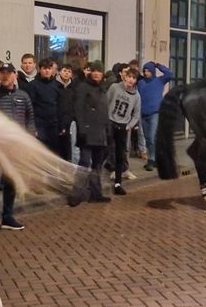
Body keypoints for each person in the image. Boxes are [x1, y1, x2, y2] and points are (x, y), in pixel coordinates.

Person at [0, 62, 34, 236]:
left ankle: (7, 217)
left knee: (11, 183)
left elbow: (30, 118)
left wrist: (29, 138)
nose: (5, 76)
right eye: (2, 73)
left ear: (15, 75)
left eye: (8, 73)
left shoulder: (23, 96)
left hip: (15, 148)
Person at [71, 62, 112, 203]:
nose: (96, 74)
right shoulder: (83, 87)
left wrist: (108, 132)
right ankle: (76, 195)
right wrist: (82, 129)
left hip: (100, 133)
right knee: (84, 163)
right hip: (87, 133)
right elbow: (78, 109)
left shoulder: (102, 89)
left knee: (97, 164)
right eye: (93, 71)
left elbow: (105, 112)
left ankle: (96, 193)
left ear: (102, 74)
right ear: (89, 73)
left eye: (99, 71)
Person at [107, 67, 142, 195]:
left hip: (123, 126)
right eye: (129, 77)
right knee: (106, 151)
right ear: (125, 77)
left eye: (134, 78)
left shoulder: (137, 96)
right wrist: (106, 120)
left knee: (120, 155)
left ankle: (117, 183)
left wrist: (129, 125)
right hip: (111, 122)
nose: (131, 80)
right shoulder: (114, 88)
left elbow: (136, 114)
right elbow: (106, 102)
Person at [138, 61, 173, 171]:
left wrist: (158, 65)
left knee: (152, 136)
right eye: (144, 70)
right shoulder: (141, 83)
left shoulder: (159, 81)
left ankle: (151, 160)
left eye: (148, 70)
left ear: (152, 71)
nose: (145, 72)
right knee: (148, 138)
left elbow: (170, 74)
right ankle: (157, 158)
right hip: (144, 114)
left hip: (155, 113)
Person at [27, 58, 62, 152]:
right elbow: (30, 106)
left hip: (54, 124)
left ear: (52, 70)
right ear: (40, 69)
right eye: (44, 68)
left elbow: (60, 106)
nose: (47, 71)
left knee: (54, 151)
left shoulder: (57, 86)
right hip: (39, 124)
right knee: (40, 150)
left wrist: (61, 124)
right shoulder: (32, 85)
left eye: (49, 69)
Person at [55, 64, 77, 162]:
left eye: (69, 71)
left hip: (70, 123)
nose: (66, 73)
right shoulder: (54, 86)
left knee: (68, 150)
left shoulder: (74, 88)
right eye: (64, 71)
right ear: (59, 72)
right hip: (56, 122)